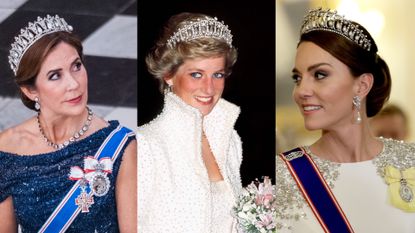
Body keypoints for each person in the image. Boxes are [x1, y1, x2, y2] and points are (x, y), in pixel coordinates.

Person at [276, 8, 415, 233]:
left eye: (319, 74)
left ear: (362, 86)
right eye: (297, 78)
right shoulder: (282, 176)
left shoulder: (410, 162)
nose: (301, 90)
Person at [0, 15, 137, 232]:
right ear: (30, 90)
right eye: (55, 76)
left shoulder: (121, 146)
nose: (74, 83)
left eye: (76, 66)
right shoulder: (6, 151)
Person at [137, 12, 242, 233]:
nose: (209, 88)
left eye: (218, 75)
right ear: (169, 74)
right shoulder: (145, 144)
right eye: (196, 74)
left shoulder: (231, 140)